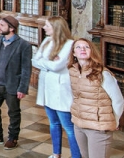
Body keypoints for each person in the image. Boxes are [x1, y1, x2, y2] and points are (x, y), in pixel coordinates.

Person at [0, 14, 32, 150]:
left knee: (14, 113)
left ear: (12, 29)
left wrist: (22, 88)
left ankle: (13, 137)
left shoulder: (24, 45)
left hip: (12, 85)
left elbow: (26, 69)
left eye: (2, 25)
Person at [68, 39, 124, 158]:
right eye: (78, 47)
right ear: (73, 53)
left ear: (92, 51)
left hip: (99, 127)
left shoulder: (102, 74)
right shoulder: (73, 71)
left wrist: (115, 121)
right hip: (79, 124)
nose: (82, 49)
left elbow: (118, 100)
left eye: (86, 47)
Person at [34, 17, 79, 158]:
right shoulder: (46, 41)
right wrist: (48, 63)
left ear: (56, 27)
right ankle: (56, 154)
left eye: (47, 25)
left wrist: (44, 63)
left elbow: (57, 66)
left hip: (61, 90)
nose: (44, 28)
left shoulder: (70, 44)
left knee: (69, 127)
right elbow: (34, 61)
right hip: (47, 88)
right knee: (53, 123)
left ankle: (76, 156)